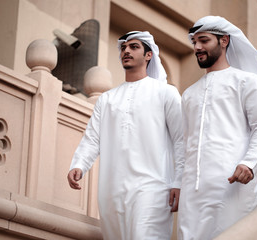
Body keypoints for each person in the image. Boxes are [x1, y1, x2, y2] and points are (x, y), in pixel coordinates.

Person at [67, 31, 185, 240]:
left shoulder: (165, 93)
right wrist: (79, 165)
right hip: (112, 190)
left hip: (152, 186)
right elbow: (93, 138)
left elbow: (181, 139)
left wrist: (179, 181)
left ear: (149, 55)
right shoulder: (107, 99)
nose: (126, 51)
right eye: (123, 48)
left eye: (134, 47)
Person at [177, 16, 257, 239]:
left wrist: (249, 163)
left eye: (204, 40)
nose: (197, 47)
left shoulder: (245, 81)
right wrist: (176, 182)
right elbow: (184, 143)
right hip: (193, 193)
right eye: (194, 42)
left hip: (232, 187)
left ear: (224, 41)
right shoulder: (189, 94)